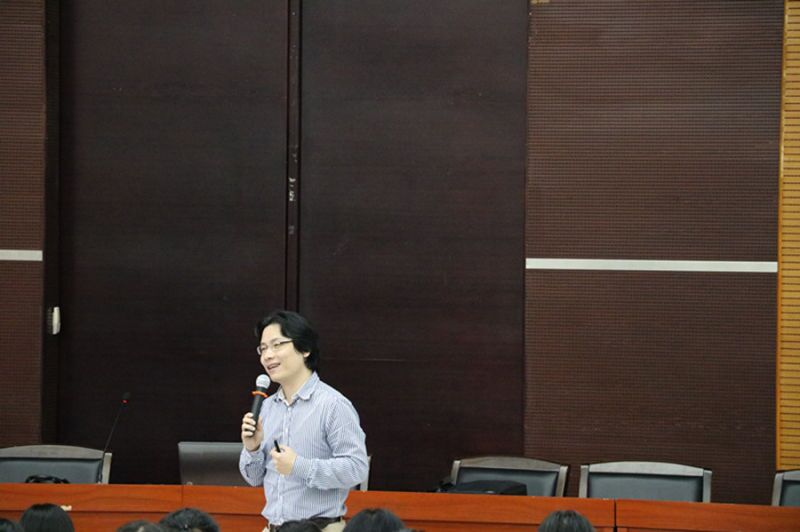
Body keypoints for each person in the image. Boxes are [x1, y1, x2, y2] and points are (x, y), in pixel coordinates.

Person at [240, 310, 369, 532]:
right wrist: (253, 449)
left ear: (305, 348)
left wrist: (299, 466)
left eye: (277, 345)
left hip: (319, 528)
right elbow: (254, 479)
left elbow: (356, 469)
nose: (267, 355)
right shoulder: (266, 407)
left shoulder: (333, 405)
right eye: (263, 348)